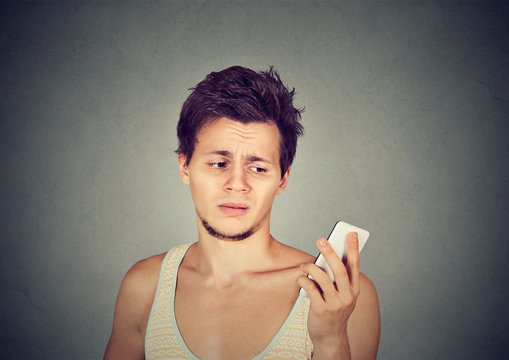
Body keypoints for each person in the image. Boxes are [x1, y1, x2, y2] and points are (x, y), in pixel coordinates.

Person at [104, 66, 380, 360]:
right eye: (219, 164)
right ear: (185, 167)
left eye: (258, 168)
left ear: (282, 180)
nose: (237, 184)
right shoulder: (144, 286)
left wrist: (331, 340)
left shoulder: (344, 298)